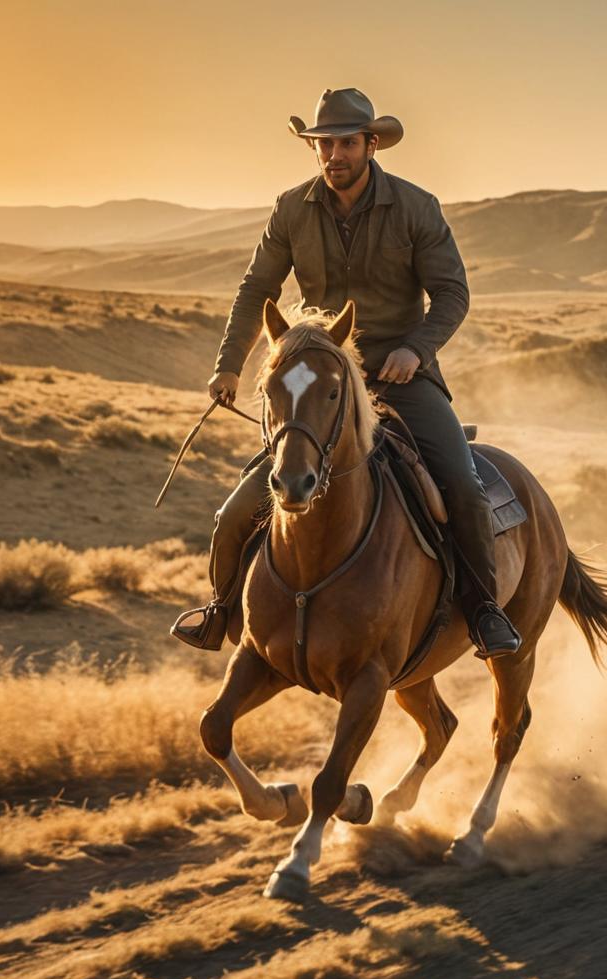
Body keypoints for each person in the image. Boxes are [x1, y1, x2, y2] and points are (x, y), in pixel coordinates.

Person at [171, 87, 521, 659]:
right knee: (237, 507)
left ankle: (484, 611)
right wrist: (228, 365)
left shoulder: (415, 206)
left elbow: (452, 294)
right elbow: (256, 289)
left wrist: (416, 350)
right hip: (317, 383)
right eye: (324, 144)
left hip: (400, 377)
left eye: (347, 143)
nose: (334, 154)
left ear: (371, 144)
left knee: (461, 484)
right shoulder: (291, 208)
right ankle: (220, 610)